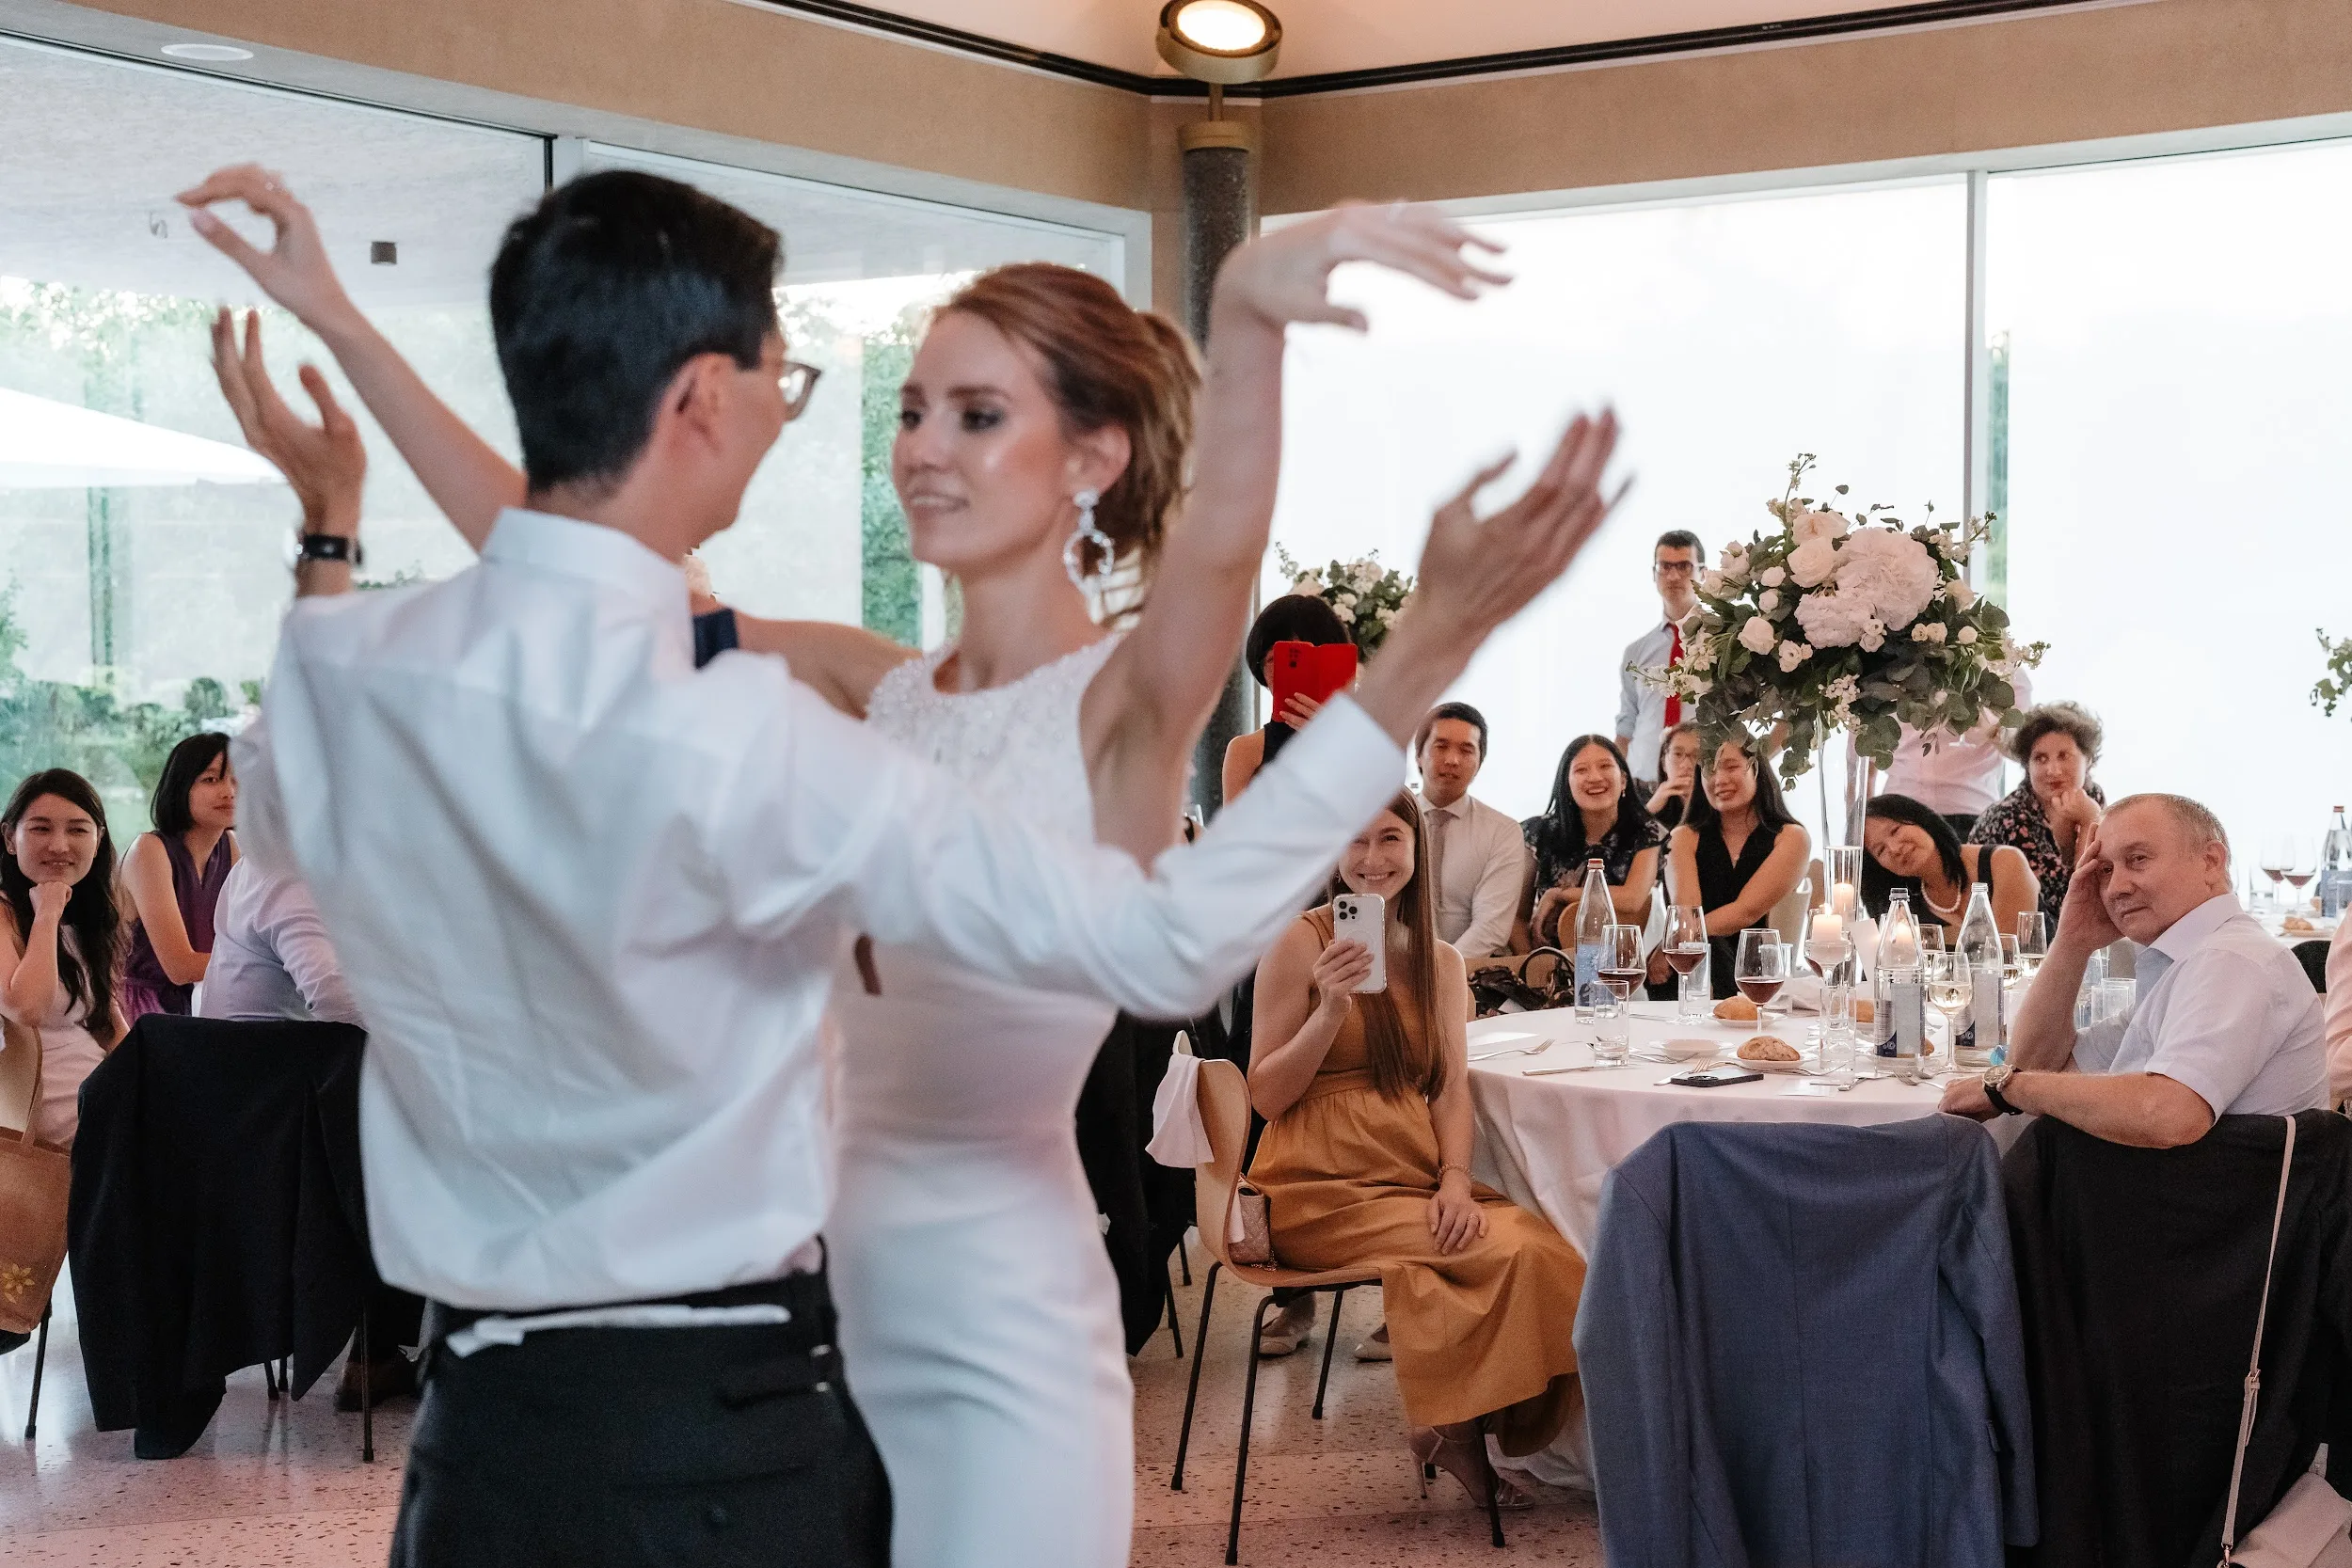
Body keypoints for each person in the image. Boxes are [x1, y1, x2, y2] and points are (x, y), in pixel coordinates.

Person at [186, 164, 1622, 1567]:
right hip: (802, 1299)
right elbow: (571, 553)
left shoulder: (1115, 700)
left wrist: (1246, 318)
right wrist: (345, 328)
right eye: (912, 409)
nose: (924, 446)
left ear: (1093, 457)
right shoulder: (857, 685)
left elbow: (1216, 552)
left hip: (990, 1297)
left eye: (978, 415)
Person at [1247, 791, 1584, 1509]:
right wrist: (1330, 1011)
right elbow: (1265, 1096)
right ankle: (1453, 1430)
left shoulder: (1441, 962)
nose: (1372, 858)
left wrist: (1456, 1178)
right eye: (1355, 840)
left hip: (1407, 1173)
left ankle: (1455, 1427)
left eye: (1390, 838)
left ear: (1415, 847)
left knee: (1547, 1249)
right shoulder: (1298, 942)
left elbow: (1449, 1089)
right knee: (1490, 1253)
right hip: (1313, 1184)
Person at [1945, 795, 2326, 1144]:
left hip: (2203, 1197)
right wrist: (2072, 942)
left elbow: (2169, 1114)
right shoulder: (2184, 963)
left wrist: (2011, 1088)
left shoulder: (2231, 959)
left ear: (2211, 862)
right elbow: (2036, 1064)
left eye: (2138, 859)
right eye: (2105, 870)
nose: (2115, 888)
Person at [0, 769, 125, 1148]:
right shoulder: (8, 914)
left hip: (99, 1097)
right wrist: (48, 911)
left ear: (98, 839)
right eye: (41, 829)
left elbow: (108, 1024)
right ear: (9, 838)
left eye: (77, 830)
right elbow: (26, 1008)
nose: (59, 845)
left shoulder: (87, 918)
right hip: (36, 1123)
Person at [1667, 734, 1810, 999]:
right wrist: (1681, 940)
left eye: (1731, 767)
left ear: (1756, 768)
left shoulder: (1791, 837)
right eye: (1709, 770)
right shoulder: (1683, 837)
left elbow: (1745, 912)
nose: (1719, 779)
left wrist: (1676, 941)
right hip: (1691, 967)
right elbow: (1687, 916)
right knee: (1707, 946)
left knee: (1709, 943)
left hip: (1757, 974)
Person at [118, 732, 237, 1025]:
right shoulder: (149, 850)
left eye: (238, 780)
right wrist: (268, 964)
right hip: (142, 1011)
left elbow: (242, 939)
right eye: (211, 780)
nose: (229, 791)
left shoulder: (230, 845)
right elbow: (179, 967)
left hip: (204, 998)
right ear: (180, 787)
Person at [1519, 734, 1664, 950]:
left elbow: (1632, 898)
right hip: (1545, 959)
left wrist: (1559, 895)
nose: (1595, 777)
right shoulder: (1537, 833)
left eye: (1605, 766)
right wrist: (1533, 965)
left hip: (1617, 962)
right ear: (1566, 784)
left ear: (1623, 780)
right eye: (1581, 770)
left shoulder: (1647, 832)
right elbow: (1517, 918)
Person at [1968, 701, 2105, 928]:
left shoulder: (2091, 797)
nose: (2053, 770)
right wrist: (2090, 821)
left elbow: (2103, 889)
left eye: (2064, 756)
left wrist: (2089, 818)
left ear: (2088, 760)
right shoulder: (2009, 819)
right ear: (2027, 765)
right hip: (2013, 935)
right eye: (2040, 758)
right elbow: (2066, 910)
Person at [1414, 702, 1525, 959]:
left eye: (1466, 750)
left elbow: (1490, 928)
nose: (1452, 760)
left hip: (1471, 971)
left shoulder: (1502, 832)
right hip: (1395, 968)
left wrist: (1440, 973)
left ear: (1479, 763)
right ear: (1419, 755)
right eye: (1441, 746)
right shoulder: (1388, 824)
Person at [1223, 593, 1352, 805]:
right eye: (1277, 658)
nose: (1293, 671)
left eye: (1308, 657)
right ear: (1260, 669)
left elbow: (1380, 818)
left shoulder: (1356, 744)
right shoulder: (1246, 751)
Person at [1861, 792, 2039, 944]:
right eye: (1880, 850)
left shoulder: (2003, 861)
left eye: (1895, 830)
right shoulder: (1903, 907)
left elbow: (2006, 954)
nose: (1894, 849)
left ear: (1920, 819)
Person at [1882, 667, 2033, 841]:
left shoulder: (2007, 669)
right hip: (1898, 812)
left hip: (1971, 812)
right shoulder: (1891, 664)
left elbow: (2024, 751)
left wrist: (1994, 729)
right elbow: (1864, 763)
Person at [1614, 529, 1703, 786]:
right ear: (1654, 574)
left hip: (1705, 787)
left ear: (1704, 574)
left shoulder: (1728, 643)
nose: (1673, 576)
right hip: (1643, 786)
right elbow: (1626, 726)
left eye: (1684, 566)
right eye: (1665, 567)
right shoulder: (1636, 652)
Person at [1644, 721, 1701, 832]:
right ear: (1663, 764)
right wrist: (1649, 811)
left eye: (1696, 755)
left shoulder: (1720, 807)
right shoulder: (1652, 805)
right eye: (1678, 754)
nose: (1686, 765)